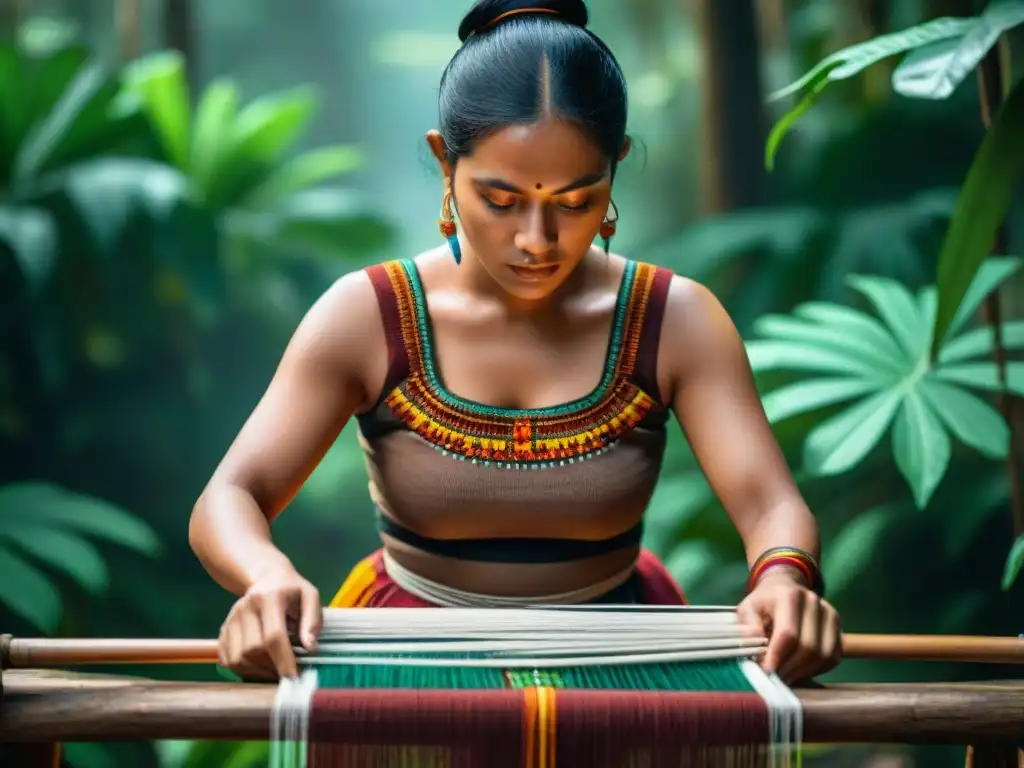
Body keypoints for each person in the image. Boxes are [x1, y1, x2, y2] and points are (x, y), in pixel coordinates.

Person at [188, 0, 842, 685]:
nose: (537, 240)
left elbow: (769, 504)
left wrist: (783, 578)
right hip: (410, 654)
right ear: (446, 164)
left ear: (615, 168)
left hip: (623, 652)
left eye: (574, 201)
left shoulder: (674, 319)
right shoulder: (367, 315)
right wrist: (266, 576)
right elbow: (231, 495)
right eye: (501, 201)